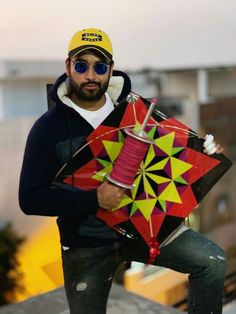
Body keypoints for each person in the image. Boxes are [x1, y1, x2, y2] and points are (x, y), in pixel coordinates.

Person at [19, 28, 226, 314]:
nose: (91, 75)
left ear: (111, 70)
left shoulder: (133, 111)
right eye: (82, 65)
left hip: (144, 228)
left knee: (211, 261)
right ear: (68, 68)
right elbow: (29, 199)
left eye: (100, 66)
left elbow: (167, 154)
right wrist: (94, 200)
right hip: (86, 243)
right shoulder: (47, 129)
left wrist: (203, 151)